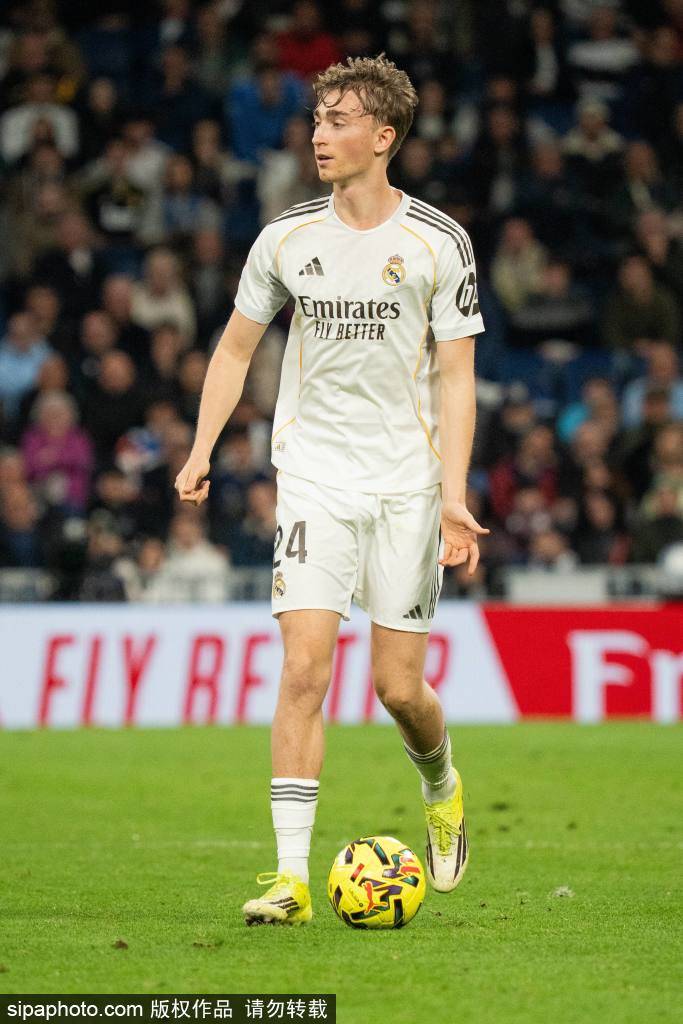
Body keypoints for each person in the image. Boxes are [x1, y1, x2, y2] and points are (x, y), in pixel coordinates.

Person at [175, 55, 487, 925]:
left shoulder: (437, 242)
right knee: (303, 668)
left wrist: (453, 493)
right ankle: (291, 880)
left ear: (383, 137)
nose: (319, 133)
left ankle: (440, 784)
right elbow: (235, 348)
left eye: (339, 120)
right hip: (314, 475)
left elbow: (456, 377)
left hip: (407, 485)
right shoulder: (285, 237)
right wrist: (201, 448)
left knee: (398, 690)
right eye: (317, 118)